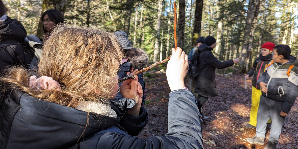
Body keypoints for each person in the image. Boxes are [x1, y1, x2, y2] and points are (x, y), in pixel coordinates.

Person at [0, 25, 204, 149]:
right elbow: (187, 144)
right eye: (113, 70)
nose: (118, 75)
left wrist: (131, 111)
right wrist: (178, 87)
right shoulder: (96, 140)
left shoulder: (30, 105)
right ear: (94, 82)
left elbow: (99, 123)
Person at [246, 45, 298, 149]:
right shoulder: (272, 63)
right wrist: (260, 82)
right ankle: (259, 137)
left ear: (281, 56)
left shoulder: (293, 69)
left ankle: (272, 144)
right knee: (261, 118)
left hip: (279, 102)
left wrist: (286, 108)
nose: (272, 55)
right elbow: (264, 75)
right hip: (265, 98)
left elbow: (293, 90)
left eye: (274, 53)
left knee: (276, 124)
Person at [194, 36, 239, 119]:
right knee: (203, 96)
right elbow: (219, 65)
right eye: (215, 42)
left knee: (201, 96)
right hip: (204, 79)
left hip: (201, 77)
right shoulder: (207, 53)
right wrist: (232, 61)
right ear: (212, 43)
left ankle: (197, 114)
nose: (215, 44)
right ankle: (194, 113)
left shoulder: (202, 51)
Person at [245, 42, 275, 129]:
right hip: (255, 85)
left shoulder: (273, 61)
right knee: (254, 104)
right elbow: (253, 69)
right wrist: (248, 75)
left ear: (270, 51)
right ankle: (252, 123)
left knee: (266, 106)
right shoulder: (258, 59)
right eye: (262, 49)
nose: (262, 51)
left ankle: (267, 123)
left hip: (266, 87)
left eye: (264, 50)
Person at [114, 30, 149, 106]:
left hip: (127, 104)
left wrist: (138, 104)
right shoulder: (110, 62)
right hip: (112, 103)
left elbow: (138, 86)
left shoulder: (133, 63)